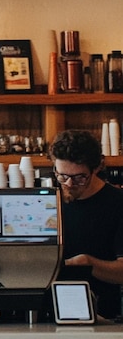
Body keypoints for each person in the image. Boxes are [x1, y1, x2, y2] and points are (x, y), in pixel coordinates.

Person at [49, 129, 123, 319]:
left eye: (80, 177)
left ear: (97, 168)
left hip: (104, 316)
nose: (69, 184)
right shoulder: (48, 202)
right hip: (46, 312)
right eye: (62, 176)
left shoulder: (118, 204)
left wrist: (87, 263)